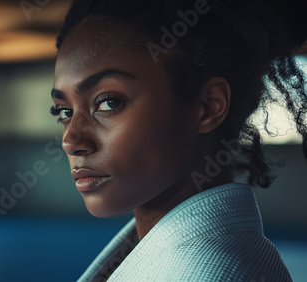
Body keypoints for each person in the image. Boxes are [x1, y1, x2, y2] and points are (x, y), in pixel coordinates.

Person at [50, 0, 307, 280]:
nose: (70, 140)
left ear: (209, 105)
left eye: (109, 103)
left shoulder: (212, 273)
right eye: (64, 111)